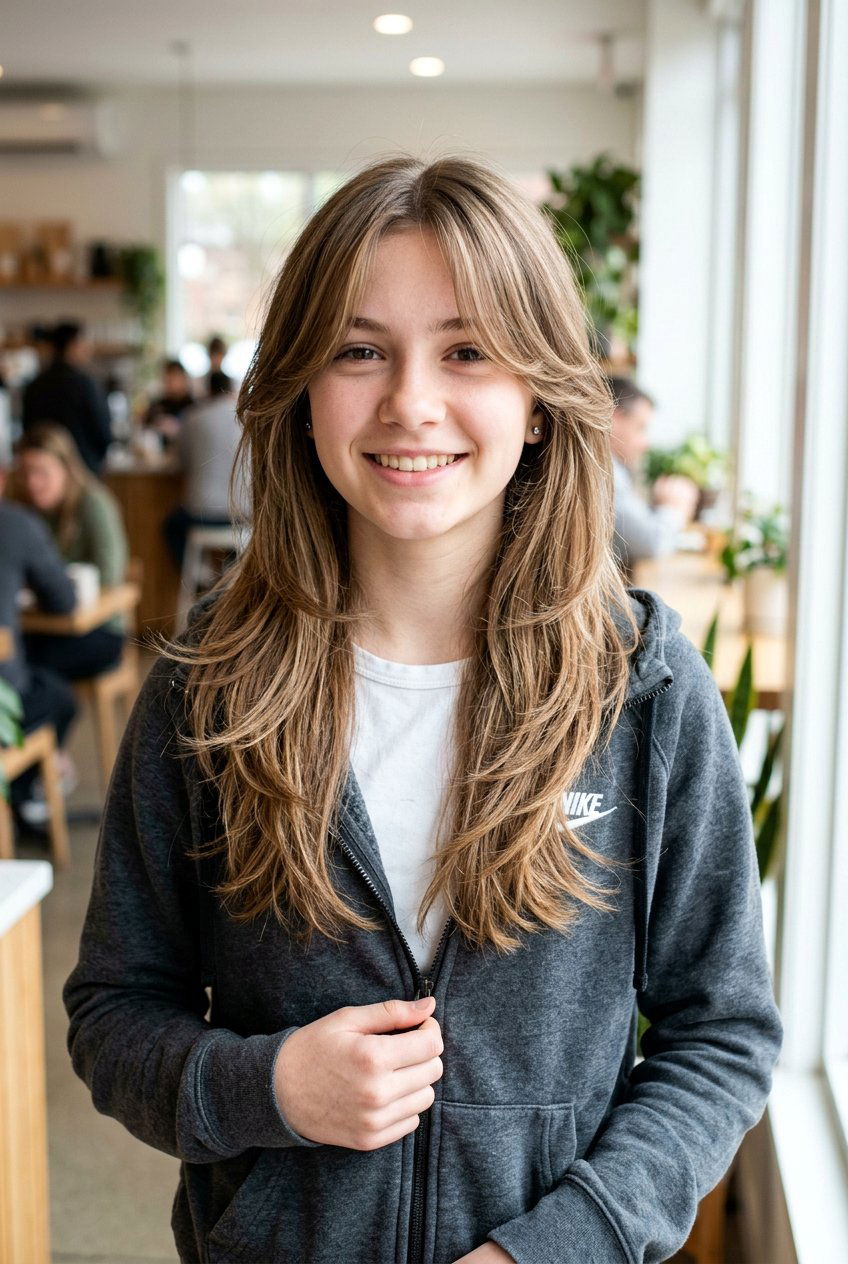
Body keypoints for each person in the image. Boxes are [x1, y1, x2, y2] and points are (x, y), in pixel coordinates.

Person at [63, 155, 782, 1264]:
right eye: (359, 351)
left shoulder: (643, 689)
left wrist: (556, 1246)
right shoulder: (207, 687)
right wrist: (267, 1085)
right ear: (302, 392)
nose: (409, 401)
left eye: (467, 351)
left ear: (537, 401)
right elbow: (114, 1013)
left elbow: (720, 1034)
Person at [11, 424, 128, 679]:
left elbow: (109, 576)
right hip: (42, 624)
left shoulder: (93, 503)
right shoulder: (20, 509)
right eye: (25, 472)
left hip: (98, 628)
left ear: (66, 468)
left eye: (42, 472)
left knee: (24, 663)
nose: (32, 482)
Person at [0, 459, 78, 827]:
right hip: (3, 703)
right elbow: (64, 600)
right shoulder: (14, 523)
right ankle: (21, 798)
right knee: (60, 698)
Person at [608, 376, 700, 579]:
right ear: (615, 419)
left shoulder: (616, 470)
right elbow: (650, 542)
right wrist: (674, 508)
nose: (646, 443)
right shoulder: (606, 471)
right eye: (641, 427)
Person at [162, 371, 249, 569]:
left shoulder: (192, 417)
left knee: (171, 526)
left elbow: (179, 463)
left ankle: (200, 575)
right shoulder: (248, 418)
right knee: (235, 543)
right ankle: (231, 575)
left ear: (207, 391)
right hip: (244, 512)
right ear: (232, 390)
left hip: (202, 513)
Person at [21, 320, 113, 474]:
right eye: (84, 343)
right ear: (72, 345)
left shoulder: (35, 385)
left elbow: (28, 431)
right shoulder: (85, 385)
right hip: (83, 470)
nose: (89, 348)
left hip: (44, 470)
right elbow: (104, 433)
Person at [143, 358, 195, 443]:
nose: (171, 384)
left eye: (175, 378)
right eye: (168, 379)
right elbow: (145, 432)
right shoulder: (156, 408)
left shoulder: (194, 407)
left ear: (184, 379)